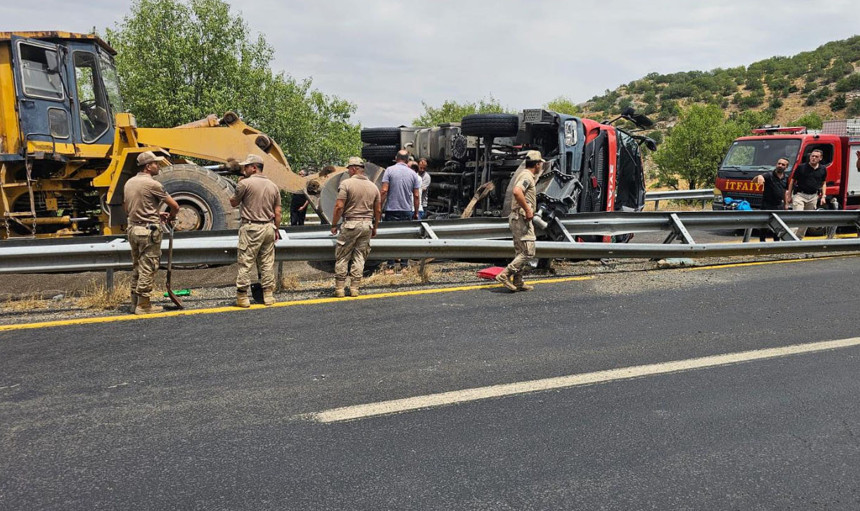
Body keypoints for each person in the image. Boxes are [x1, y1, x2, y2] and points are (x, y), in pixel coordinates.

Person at [123, 151, 179, 314]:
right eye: (155, 163)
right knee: (149, 266)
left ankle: (134, 302)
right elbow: (175, 206)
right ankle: (144, 305)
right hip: (148, 231)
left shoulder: (129, 183)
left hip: (133, 228)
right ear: (148, 166)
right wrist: (171, 217)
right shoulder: (153, 184)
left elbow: (128, 208)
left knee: (137, 266)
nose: (158, 166)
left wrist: (154, 213)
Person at [230, 154, 282, 308]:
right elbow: (278, 212)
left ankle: (242, 297)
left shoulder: (244, 184)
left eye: (246, 166)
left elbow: (233, 202)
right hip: (269, 227)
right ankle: (268, 295)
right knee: (267, 262)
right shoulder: (273, 186)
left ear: (254, 168)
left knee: (245, 262)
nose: (244, 169)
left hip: (251, 228)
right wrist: (276, 229)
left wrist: (238, 184)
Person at [329, 157, 381, 297]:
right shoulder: (373, 186)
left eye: (348, 169)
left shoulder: (346, 184)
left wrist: (334, 224)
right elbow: (378, 210)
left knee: (343, 256)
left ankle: (340, 288)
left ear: (353, 168)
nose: (348, 172)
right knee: (359, 257)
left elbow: (339, 206)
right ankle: (354, 288)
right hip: (367, 225)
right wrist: (375, 227)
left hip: (351, 223)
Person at [496, 150, 544, 292]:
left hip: (518, 218)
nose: (541, 166)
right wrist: (528, 210)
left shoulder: (525, 174)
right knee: (529, 252)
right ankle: (505, 275)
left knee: (520, 252)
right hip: (521, 219)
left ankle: (518, 281)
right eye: (540, 163)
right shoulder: (527, 176)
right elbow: (517, 191)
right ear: (537, 164)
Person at [380, 149, 420, 271]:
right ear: (407, 160)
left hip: (391, 209)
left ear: (396, 158)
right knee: (405, 238)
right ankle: (404, 265)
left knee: (390, 237)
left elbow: (384, 191)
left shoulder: (389, 170)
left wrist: (378, 207)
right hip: (406, 210)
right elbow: (416, 195)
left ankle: (390, 265)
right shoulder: (413, 174)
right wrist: (416, 212)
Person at [787, 148, 827, 238]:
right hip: (800, 195)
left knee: (806, 220)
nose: (813, 158)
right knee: (797, 218)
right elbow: (792, 181)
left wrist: (823, 196)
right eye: (812, 156)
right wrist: (789, 196)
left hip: (813, 196)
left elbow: (824, 183)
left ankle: (799, 240)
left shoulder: (823, 169)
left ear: (820, 158)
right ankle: (789, 239)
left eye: (816, 157)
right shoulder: (801, 167)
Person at [751, 157, 789, 242]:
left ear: (786, 167)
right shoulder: (769, 175)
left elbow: (785, 192)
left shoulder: (786, 178)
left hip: (779, 206)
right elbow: (754, 180)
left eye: (783, 164)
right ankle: (762, 244)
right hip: (767, 205)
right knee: (764, 226)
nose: (780, 165)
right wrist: (759, 177)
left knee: (778, 227)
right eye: (779, 163)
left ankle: (776, 243)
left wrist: (786, 204)